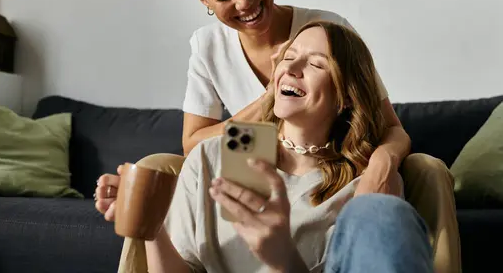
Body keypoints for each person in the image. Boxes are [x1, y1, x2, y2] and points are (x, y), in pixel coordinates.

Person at [95, 0, 410, 201]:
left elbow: (390, 130)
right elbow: (194, 145)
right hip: (253, 169)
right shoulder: (208, 47)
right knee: (152, 171)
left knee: (429, 169)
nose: (244, 1)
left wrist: (381, 165)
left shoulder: (327, 29)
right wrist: (272, 98)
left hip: (330, 172)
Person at [111, 20, 436, 273]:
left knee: (382, 211)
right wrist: (151, 228)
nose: (292, 69)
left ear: (347, 97)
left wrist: (282, 258)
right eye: (289, 58)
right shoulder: (221, 154)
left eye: (317, 64)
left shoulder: (365, 184)